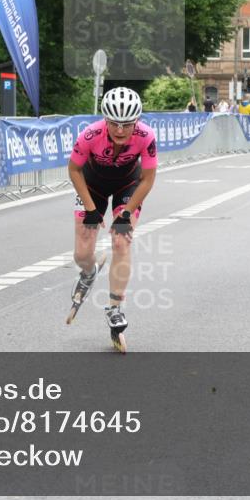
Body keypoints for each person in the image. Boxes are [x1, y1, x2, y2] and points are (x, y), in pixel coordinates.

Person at [67, 87, 157, 353]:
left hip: (128, 185)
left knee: (121, 241)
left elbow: (148, 179)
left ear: (136, 121)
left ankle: (115, 309)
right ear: (105, 119)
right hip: (92, 185)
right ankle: (89, 271)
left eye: (127, 124)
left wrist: (126, 214)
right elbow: (74, 170)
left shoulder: (146, 136)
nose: (120, 130)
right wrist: (91, 209)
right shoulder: (90, 135)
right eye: (114, 123)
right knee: (82, 253)